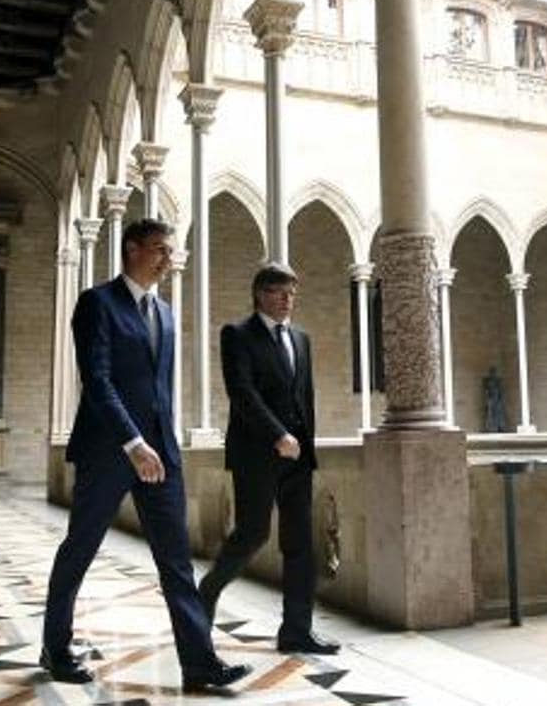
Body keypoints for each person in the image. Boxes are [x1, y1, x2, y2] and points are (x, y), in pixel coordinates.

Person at [41, 218, 252, 691]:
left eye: (169, 250)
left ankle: (199, 664)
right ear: (132, 249)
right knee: (80, 549)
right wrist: (133, 443)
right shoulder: (97, 303)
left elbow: (160, 389)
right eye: (159, 249)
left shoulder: (166, 312)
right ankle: (54, 647)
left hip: (161, 455)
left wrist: (161, 445)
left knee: (176, 561)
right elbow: (98, 382)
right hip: (109, 451)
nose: (167, 258)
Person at [198, 262, 339, 655]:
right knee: (252, 534)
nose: (288, 299)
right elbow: (241, 393)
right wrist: (278, 434)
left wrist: (305, 447)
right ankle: (204, 596)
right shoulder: (238, 335)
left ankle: (296, 630)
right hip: (257, 455)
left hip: (297, 459)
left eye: (292, 293)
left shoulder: (301, 339)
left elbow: (303, 398)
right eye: (280, 292)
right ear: (260, 293)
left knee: (300, 546)